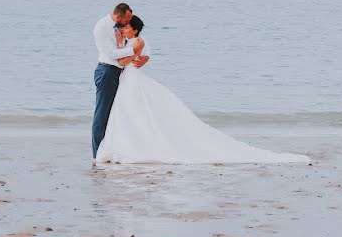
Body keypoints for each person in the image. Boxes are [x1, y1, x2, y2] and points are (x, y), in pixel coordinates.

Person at [96, 15, 309, 165]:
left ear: (134, 29)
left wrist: (121, 49)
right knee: (127, 114)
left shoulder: (137, 42)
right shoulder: (129, 41)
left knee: (135, 112)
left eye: (125, 27)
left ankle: (135, 145)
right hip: (128, 81)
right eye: (122, 27)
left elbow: (124, 61)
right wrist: (119, 44)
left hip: (132, 80)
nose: (122, 29)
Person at [91, 3, 149, 160]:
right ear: (118, 17)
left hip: (121, 75)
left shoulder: (122, 30)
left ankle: (113, 150)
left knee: (117, 114)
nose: (127, 25)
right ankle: (97, 155)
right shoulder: (102, 28)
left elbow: (135, 42)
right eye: (127, 20)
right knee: (102, 115)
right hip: (107, 71)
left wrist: (144, 55)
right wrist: (135, 50)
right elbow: (112, 54)